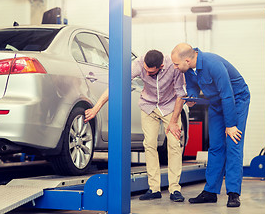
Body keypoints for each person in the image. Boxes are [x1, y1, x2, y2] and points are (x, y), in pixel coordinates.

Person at [84, 50, 186, 202]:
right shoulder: (138, 64)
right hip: (148, 106)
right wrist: (96, 108)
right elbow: (116, 85)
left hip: (169, 107)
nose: (146, 73)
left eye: (150, 72)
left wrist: (174, 121)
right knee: (149, 144)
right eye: (145, 70)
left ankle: (175, 189)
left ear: (161, 66)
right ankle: (154, 188)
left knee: (174, 144)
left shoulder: (173, 66)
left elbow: (180, 94)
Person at [171, 43, 250, 208]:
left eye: (176, 64)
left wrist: (231, 124)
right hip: (216, 102)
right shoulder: (189, 69)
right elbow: (192, 86)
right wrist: (192, 98)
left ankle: (233, 193)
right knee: (215, 146)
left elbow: (228, 94)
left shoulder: (213, 64)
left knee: (233, 144)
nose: (175, 67)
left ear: (187, 59)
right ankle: (210, 192)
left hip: (236, 100)